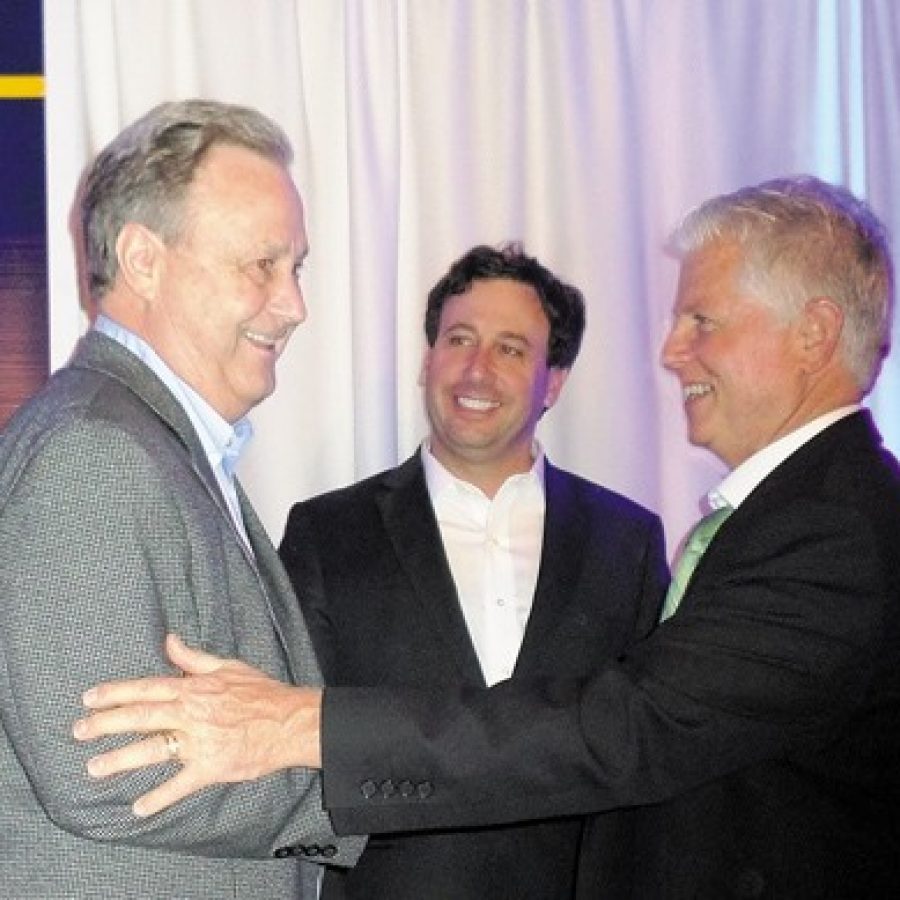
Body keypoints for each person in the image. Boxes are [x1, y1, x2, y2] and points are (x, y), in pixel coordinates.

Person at [75, 175, 900, 897]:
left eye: (702, 320)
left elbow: (630, 728)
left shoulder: (830, 534)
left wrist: (299, 724)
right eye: (459, 340)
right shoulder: (328, 530)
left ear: (815, 334)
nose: (671, 350)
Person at [0, 98, 363, 899]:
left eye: (295, 268)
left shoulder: (150, 444)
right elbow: (104, 771)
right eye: (260, 265)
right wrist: (345, 764)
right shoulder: (92, 454)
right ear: (143, 260)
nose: (294, 304)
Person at [278, 243, 668, 899]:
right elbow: (293, 760)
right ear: (428, 359)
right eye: (458, 339)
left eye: (511, 349)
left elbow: (646, 758)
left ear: (554, 381)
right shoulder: (326, 534)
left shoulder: (625, 541)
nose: (476, 370)